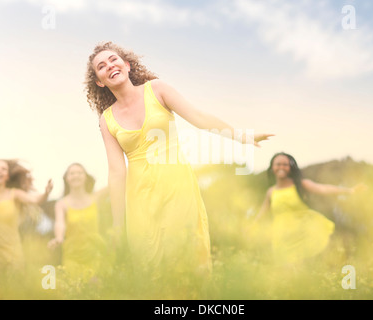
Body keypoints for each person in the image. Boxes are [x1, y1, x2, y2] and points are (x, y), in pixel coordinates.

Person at [84, 41, 273, 292]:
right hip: (139, 197)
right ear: (99, 81)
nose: (110, 66)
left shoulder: (157, 89)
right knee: (149, 263)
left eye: (114, 60)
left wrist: (241, 136)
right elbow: (117, 173)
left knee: (184, 255)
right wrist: (119, 227)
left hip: (176, 184)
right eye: (102, 66)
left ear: (127, 65)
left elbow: (200, 118)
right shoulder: (106, 121)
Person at [256, 152, 365, 265]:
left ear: (290, 167)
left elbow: (323, 189)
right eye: (278, 164)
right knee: (284, 271)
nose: (281, 167)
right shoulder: (271, 192)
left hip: (301, 235)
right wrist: (251, 227)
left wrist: (349, 191)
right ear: (272, 167)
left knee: (299, 268)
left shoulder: (301, 184)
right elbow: (262, 213)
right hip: (280, 237)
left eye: (285, 164)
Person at [0, 159, 53, 281]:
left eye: (3, 169)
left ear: (7, 176)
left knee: (15, 286)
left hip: (11, 249)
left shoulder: (14, 194)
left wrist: (46, 193)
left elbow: (35, 200)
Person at [47, 163, 112, 282]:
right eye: (72, 173)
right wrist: (58, 238)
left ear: (85, 177)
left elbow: (115, 181)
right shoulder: (61, 204)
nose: (76, 175)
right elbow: (60, 223)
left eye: (79, 173)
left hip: (95, 253)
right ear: (67, 178)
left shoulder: (96, 198)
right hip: (72, 256)